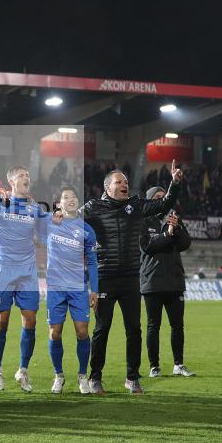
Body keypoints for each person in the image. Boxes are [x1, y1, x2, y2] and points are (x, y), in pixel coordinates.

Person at [81, 160, 183, 395]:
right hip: (104, 277)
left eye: (126, 181)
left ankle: (132, 377)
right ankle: (95, 377)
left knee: (134, 329)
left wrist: (175, 183)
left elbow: (165, 203)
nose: (124, 184)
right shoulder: (92, 207)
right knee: (101, 328)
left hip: (130, 278)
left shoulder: (136, 206)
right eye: (119, 182)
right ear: (107, 188)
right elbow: (68, 219)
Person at [0, 166, 48, 393]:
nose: (26, 179)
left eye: (28, 176)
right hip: (5, 270)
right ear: (11, 180)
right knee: (2, 321)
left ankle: (23, 370)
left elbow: (45, 233)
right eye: (22, 176)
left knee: (31, 320)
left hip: (28, 271)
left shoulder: (35, 208)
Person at [44, 187, 98, 394]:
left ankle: (82, 376)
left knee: (82, 331)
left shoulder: (86, 230)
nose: (71, 200)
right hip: (56, 288)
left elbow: (92, 262)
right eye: (66, 197)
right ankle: (59, 375)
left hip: (78, 288)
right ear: (59, 203)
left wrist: (95, 289)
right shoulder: (50, 223)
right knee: (54, 333)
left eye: (74, 197)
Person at [140, 187, 195, 378]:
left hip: (174, 281)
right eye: (156, 198)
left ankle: (178, 364)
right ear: (149, 201)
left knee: (177, 325)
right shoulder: (144, 221)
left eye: (163, 198)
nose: (160, 200)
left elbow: (186, 244)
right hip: (152, 282)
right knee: (153, 326)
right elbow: (148, 247)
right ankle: (154, 367)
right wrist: (167, 234)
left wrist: (177, 228)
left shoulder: (174, 218)